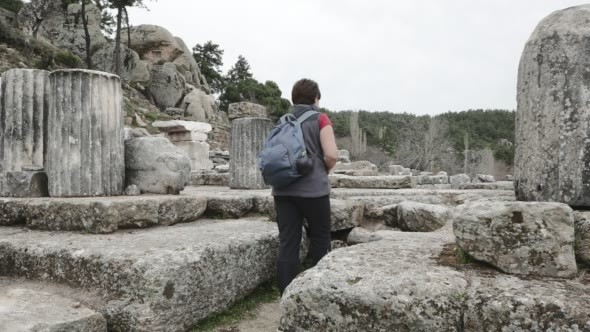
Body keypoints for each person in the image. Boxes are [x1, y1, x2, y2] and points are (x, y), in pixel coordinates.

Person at [272, 78, 339, 295]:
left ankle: (286, 295)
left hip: (283, 190)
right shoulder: (320, 118)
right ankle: (319, 292)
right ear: (315, 98)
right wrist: (324, 170)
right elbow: (331, 155)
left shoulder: (282, 120)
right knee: (320, 238)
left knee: (288, 242)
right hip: (314, 192)